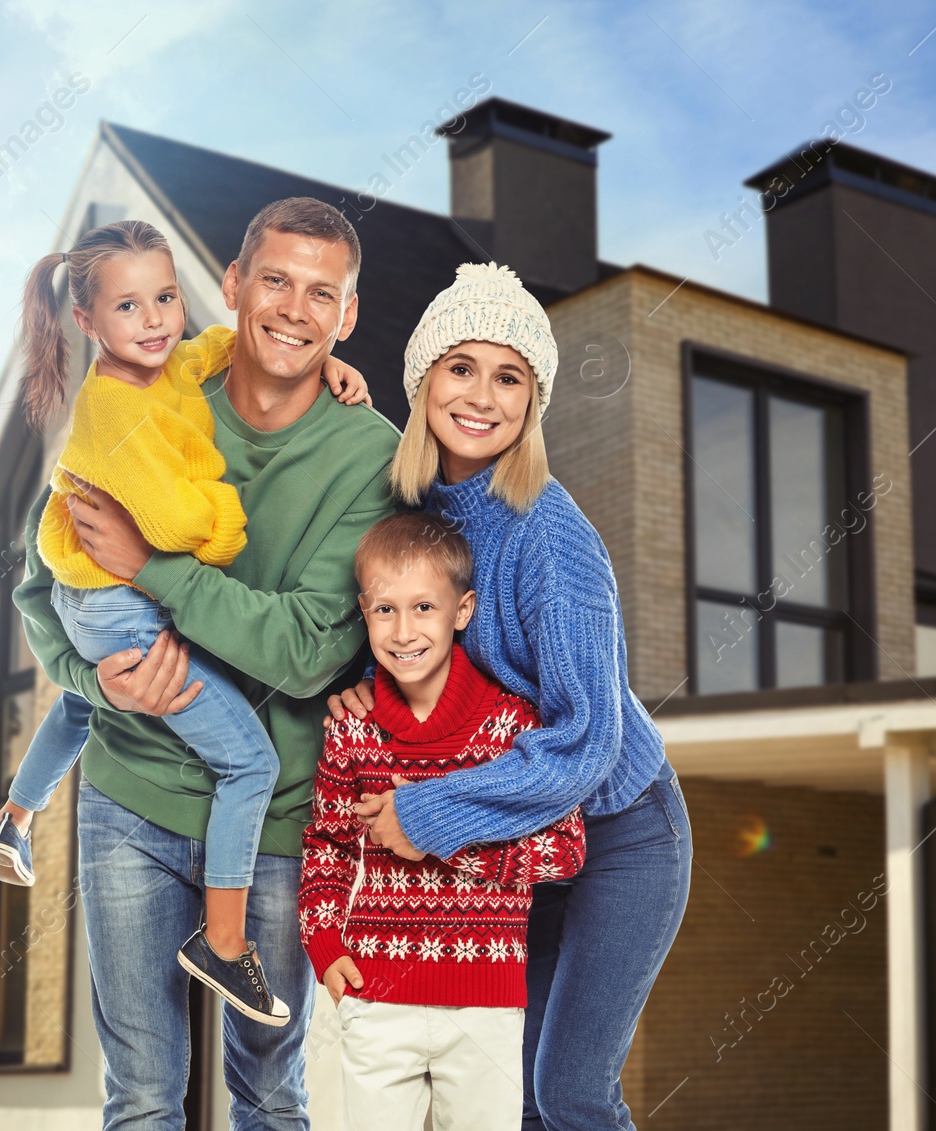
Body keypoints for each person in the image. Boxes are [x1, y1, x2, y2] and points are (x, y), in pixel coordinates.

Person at [13, 197, 399, 1129]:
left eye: (323, 294)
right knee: (141, 1094)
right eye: (275, 280)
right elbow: (42, 589)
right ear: (232, 287)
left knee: (269, 1092)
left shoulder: (373, 456)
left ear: (346, 317)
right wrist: (91, 678)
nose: (295, 309)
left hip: (275, 820)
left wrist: (153, 570)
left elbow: (309, 650)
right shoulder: (146, 396)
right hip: (129, 802)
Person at [327, 262, 692, 1131]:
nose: (482, 395)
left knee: (568, 1092)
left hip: (620, 831)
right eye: (461, 367)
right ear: (425, 380)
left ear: (534, 401)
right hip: (521, 837)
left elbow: (587, 742)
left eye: (510, 376)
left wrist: (431, 811)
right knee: (508, 1099)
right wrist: (357, 683)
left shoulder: (549, 536)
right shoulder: (414, 503)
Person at [301, 512, 584, 1131]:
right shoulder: (353, 728)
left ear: (462, 611)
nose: (403, 631)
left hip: (485, 1003)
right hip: (376, 998)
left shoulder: (513, 728)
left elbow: (564, 849)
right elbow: (327, 844)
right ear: (364, 613)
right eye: (384, 610)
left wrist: (441, 836)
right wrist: (324, 947)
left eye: (424, 607)